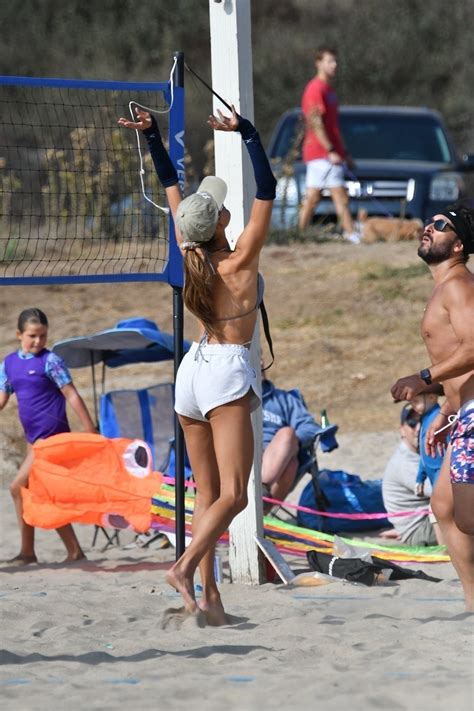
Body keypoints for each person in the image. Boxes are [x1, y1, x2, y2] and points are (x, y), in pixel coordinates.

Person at [118, 105, 276, 625]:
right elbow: (268, 189)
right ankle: (184, 568)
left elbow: (170, 185)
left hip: (192, 368)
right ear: (222, 222)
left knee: (208, 495)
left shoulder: (189, 247)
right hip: (225, 369)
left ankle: (211, 599)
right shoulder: (239, 258)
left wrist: (154, 137)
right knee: (233, 494)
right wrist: (248, 132)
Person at [391, 200, 474, 610]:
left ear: (458, 246)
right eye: (429, 221)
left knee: (467, 516)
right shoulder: (444, 287)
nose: (429, 226)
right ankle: (473, 601)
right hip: (463, 415)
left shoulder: (458, 285)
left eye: (441, 226)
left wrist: (423, 378)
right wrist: (444, 409)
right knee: (443, 507)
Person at [0, 308, 97, 565]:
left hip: (52, 439)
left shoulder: (50, 361)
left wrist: (90, 429)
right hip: (34, 441)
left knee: (18, 487)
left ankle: (28, 551)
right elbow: (1, 399)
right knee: (41, 493)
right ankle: (72, 551)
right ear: (19, 334)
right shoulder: (9, 363)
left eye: (43, 336)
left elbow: (71, 394)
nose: (38, 341)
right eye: (32, 336)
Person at [298, 46, 359, 243]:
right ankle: (351, 234)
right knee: (339, 193)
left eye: (335, 61)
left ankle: (299, 234)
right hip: (320, 153)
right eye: (330, 61)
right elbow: (315, 123)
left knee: (313, 197)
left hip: (329, 153)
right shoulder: (315, 89)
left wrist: (345, 152)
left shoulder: (329, 90)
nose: (334, 65)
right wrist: (330, 150)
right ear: (319, 63)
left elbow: (333, 127)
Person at [261, 372, 320, 508]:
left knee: (289, 446)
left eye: (261, 356)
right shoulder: (235, 399)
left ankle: (262, 500)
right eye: (256, 355)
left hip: (276, 455)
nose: (261, 361)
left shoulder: (284, 399)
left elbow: (309, 427)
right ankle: (260, 497)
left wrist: (290, 443)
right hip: (244, 455)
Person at [382, 405, 438, 546]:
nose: (419, 428)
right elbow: (439, 492)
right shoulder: (405, 462)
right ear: (402, 430)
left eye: (424, 421)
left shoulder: (419, 454)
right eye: (412, 423)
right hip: (419, 531)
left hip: (418, 523)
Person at [410, 393, 445, 496]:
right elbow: (425, 452)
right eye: (411, 402)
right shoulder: (425, 420)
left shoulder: (440, 419)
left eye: (416, 401)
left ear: (432, 397)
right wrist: (420, 478)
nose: (413, 406)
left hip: (442, 472)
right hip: (432, 472)